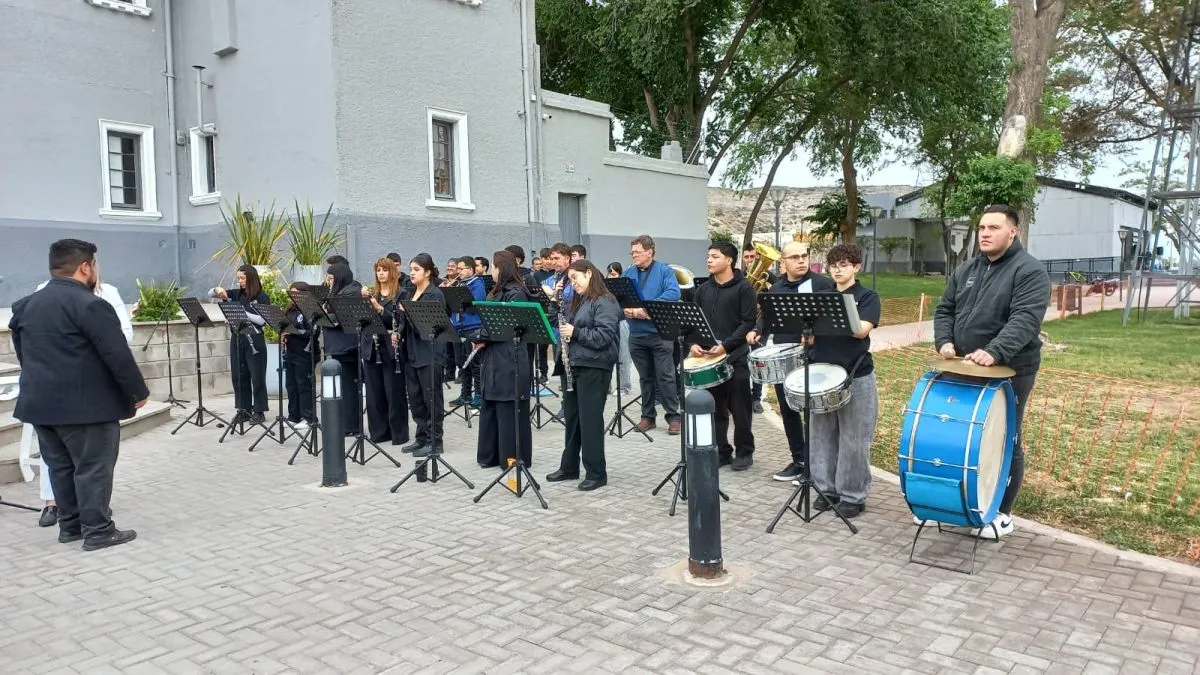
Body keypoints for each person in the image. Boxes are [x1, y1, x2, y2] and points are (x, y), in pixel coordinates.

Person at [9, 239, 149, 550]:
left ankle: (70, 527)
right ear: (85, 267)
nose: (96, 271)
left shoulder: (26, 305)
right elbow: (116, 354)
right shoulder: (91, 305)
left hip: (40, 405)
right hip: (87, 408)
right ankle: (98, 530)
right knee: (93, 468)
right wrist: (137, 391)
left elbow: (23, 353)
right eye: (94, 265)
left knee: (60, 467)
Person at [933, 203, 1050, 538]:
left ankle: (1001, 511)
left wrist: (995, 351)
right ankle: (963, 503)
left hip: (1011, 370)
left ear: (1012, 232)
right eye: (982, 228)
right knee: (963, 434)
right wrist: (945, 341)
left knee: (1004, 437)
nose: (985, 233)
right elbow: (945, 309)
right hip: (965, 365)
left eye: (993, 228)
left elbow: (1025, 319)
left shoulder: (1028, 271)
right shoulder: (968, 268)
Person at [26, 268, 134, 527]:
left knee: (87, 461)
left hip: (87, 389)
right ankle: (61, 509)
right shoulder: (42, 293)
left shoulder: (106, 294)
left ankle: (81, 518)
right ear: (84, 267)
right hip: (53, 390)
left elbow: (123, 337)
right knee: (63, 461)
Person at [746, 241, 835, 482]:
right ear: (783, 262)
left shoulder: (823, 285)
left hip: (815, 357)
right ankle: (799, 460)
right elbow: (766, 315)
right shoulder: (776, 289)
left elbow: (835, 318)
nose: (801, 260)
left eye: (804, 256)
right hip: (785, 354)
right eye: (794, 257)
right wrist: (757, 329)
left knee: (812, 412)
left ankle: (817, 466)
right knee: (788, 410)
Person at [807, 244, 881, 519]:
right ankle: (826, 490)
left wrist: (835, 314)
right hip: (822, 374)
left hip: (855, 374)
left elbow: (861, 331)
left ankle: (853, 495)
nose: (838, 270)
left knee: (854, 438)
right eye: (833, 265)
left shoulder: (867, 297)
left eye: (844, 265)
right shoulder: (822, 296)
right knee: (821, 435)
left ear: (856, 267)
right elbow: (812, 336)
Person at [546, 260, 621, 490]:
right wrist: (553, 303)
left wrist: (575, 332)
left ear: (589, 273)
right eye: (570, 279)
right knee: (573, 419)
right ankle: (569, 467)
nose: (573, 283)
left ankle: (596, 473)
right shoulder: (579, 301)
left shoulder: (605, 301)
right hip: (575, 365)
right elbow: (557, 322)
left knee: (590, 421)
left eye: (575, 278)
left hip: (595, 367)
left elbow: (604, 336)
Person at [688, 242, 758, 470]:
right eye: (708, 256)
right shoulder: (702, 290)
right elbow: (694, 323)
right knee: (716, 408)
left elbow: (748, 322)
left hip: (735, 356)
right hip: (709, 359)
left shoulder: (744, 288)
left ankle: (745, 452)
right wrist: (694, 344)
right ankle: (722, 451)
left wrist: (726, 346)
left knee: (740, 409)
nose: (709, 260)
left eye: (715, 256)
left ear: (729, 260)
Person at [474, 251, 533, 469]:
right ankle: (490, 455)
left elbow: (508, 327)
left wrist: (483, 336)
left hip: (510, 356)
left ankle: (512, 457)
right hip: (492, 355)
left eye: (494, 267)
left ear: (502, 268)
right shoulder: (494, 292)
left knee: (509, 405)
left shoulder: (516, 293)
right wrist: (480, 336)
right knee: (490, 402)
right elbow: (488, 321)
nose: (492, 270)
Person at [623, 235, 682, 435]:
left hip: (660, 334)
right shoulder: (628, 272)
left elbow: (674, 293)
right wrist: (628, 310)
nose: (633, 256)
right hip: (637, 335)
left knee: (666, 376)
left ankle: (673, 416)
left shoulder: (664, 271)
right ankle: (647, 417)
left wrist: (647, 310)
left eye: (637, 252)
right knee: (645, 378)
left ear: (649, 252)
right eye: (632, 252)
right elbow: (621, 296)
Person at [396, 253, 446, 457]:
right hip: (412, 352)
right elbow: (405, 324)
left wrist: (408, 313)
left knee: (431, 398)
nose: (412, 273)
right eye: (411, 269)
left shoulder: (435, 295)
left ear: (427, 272)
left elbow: (430, 326)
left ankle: (435, 440)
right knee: (415, 398)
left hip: (430, 352)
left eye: (416, 269)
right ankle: (421, 438)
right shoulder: (409, 294)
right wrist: (398, 332)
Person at [210, 265, 269, 426]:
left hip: (254, 339)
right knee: (239, 375)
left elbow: (261, 320)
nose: (240, 281)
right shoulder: (237, 294)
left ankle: (259, 410)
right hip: (237, 338)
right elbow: (211, 293)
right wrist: (218, 290)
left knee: (257, 376)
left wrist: (240, 311)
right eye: (239, 278)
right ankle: (243, 409)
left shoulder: (262, 297)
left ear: (251, 278)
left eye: (243, 278)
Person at [361, 259, 410, 445]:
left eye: (384, 270)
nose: (381, 274)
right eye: (378, 270)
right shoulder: (373, 293)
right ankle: (379, 433)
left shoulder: (401, 294)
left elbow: (399, 322)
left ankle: (398, 434)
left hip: (391, 348)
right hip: (372, 347)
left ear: (392, 272)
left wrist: (379, 309)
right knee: (374, 393)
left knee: (394, 392)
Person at [322, 262, 364, 435]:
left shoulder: (351, 291)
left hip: (347, 346)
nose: (329, 282)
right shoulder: (341, 291)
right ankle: (346, 423)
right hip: (339, 345)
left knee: (349, 388)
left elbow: (340, 316)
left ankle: (351, 426)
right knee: (344, 387)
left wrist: (325, 314)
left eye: (331, 278)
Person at [742, 243, 778, 414]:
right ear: (742, 259)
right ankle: (741, 397)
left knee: (758, 360)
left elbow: (778, 293)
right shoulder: (740, 277)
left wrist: (763, 297)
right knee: (741, 361)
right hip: (742, 324)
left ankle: (756, 398)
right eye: (746, 257)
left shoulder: (769, 276)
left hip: (761, 324)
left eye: (753, 257)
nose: (750, 260)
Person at [450, 255, 485, 408]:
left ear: (470, 269)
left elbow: (476, 302)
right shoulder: (458, 284)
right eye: (457, 268)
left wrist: (459, 293)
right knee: (461, 362)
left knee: (474, 363)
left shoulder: (477, 283)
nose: (458, 271)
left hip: (472, 327)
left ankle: (479, 393)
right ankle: (465, 394)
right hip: (458, 327)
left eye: (461, 269)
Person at [282, 282, 317, 430]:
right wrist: (283, 335)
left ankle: (308, 417)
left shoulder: (311, 310)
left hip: (305, 353)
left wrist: (294, 332)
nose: (293, 297)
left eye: (296, 293)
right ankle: (293, 415)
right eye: (291, 294)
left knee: (304, 385)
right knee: (291, 385)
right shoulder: (290, 311)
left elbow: (314, 333)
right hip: (291, 352)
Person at [606, 262, 633, 396]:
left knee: (623, 354)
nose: (611, 277)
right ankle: (607, 386)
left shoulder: (624, 287)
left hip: (622, 322)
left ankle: (624, 387)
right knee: (607, 355)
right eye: (609, 273)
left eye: (614, 274)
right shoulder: (606, 287)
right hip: (609, 322)